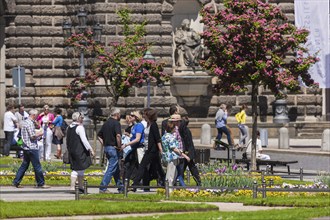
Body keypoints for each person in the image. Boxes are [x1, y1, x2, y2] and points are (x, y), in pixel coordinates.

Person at [12, 109, 50, 188]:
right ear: (33, 115)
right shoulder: (29, 123)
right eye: (36, 116)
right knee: (37, 166)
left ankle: (16, 182)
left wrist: (36, 126)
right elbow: (32, 136)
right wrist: (40, 133)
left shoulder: (25, 122)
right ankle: (41, 183)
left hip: (26, 147)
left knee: (24, 165)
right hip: (31, 147)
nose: (36, 118)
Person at [131, 108, 165, 192]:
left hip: (152, 150)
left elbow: (157, 139)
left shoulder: (153, 125)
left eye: (145, 114)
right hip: (148, 149)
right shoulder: (148, 125)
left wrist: (161, 150)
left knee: (142, 166)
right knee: (158, 169)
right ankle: (150, 186)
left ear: (149, 115)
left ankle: (134, 185)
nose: (143, 116)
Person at [67, 112, 95, 193]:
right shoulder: (79, 128)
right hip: (79, 150)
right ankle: (72, 187)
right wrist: (90, 149)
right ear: (78, 118)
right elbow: (84, 140)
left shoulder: (69, 127)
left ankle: (80, 186)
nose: (82, 119)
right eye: (81, 117)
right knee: (77, 169)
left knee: (80, 168)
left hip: (72, 150)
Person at [97, 108, 123, 194]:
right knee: (111, 168)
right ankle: (103, 187)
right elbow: (118, 136)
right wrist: (119, 146)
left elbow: (99, 136)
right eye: (120, 114)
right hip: (114, 148)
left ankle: (121, 187)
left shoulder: (106, 123)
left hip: (107, 148)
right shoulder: (116, 123)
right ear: (117, 114)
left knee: (116, 169)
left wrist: (104, 144)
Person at [161, 116, 190, 192]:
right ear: (172, 128)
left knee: (171, 174)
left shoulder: (164, 136)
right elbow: (174, 148)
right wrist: (184, 155)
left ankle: (169, 189)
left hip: (166, 157)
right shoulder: (171, 137)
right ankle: (169, 191)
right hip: (171, 158)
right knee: (171, 175)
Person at [178, 107, 202, 186]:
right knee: (190, 167)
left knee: (188, 167)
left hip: (187, 151)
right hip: (188, 150)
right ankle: (198, 181)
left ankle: (197, 181)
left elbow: (186, 141)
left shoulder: (183, 127)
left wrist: (187, 151)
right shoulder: (184, 127)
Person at [121, 111, 144, 185]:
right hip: (133, 148)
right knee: (128, 164)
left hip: (139, 148)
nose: (130, 117)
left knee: (140, 165)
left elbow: (137, 139)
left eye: (132, 115)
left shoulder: (139, 126)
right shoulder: (133, 127)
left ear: (136, 117)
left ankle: (139, 182)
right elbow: (132, 137)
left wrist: (126, 144)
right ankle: (127, 183)